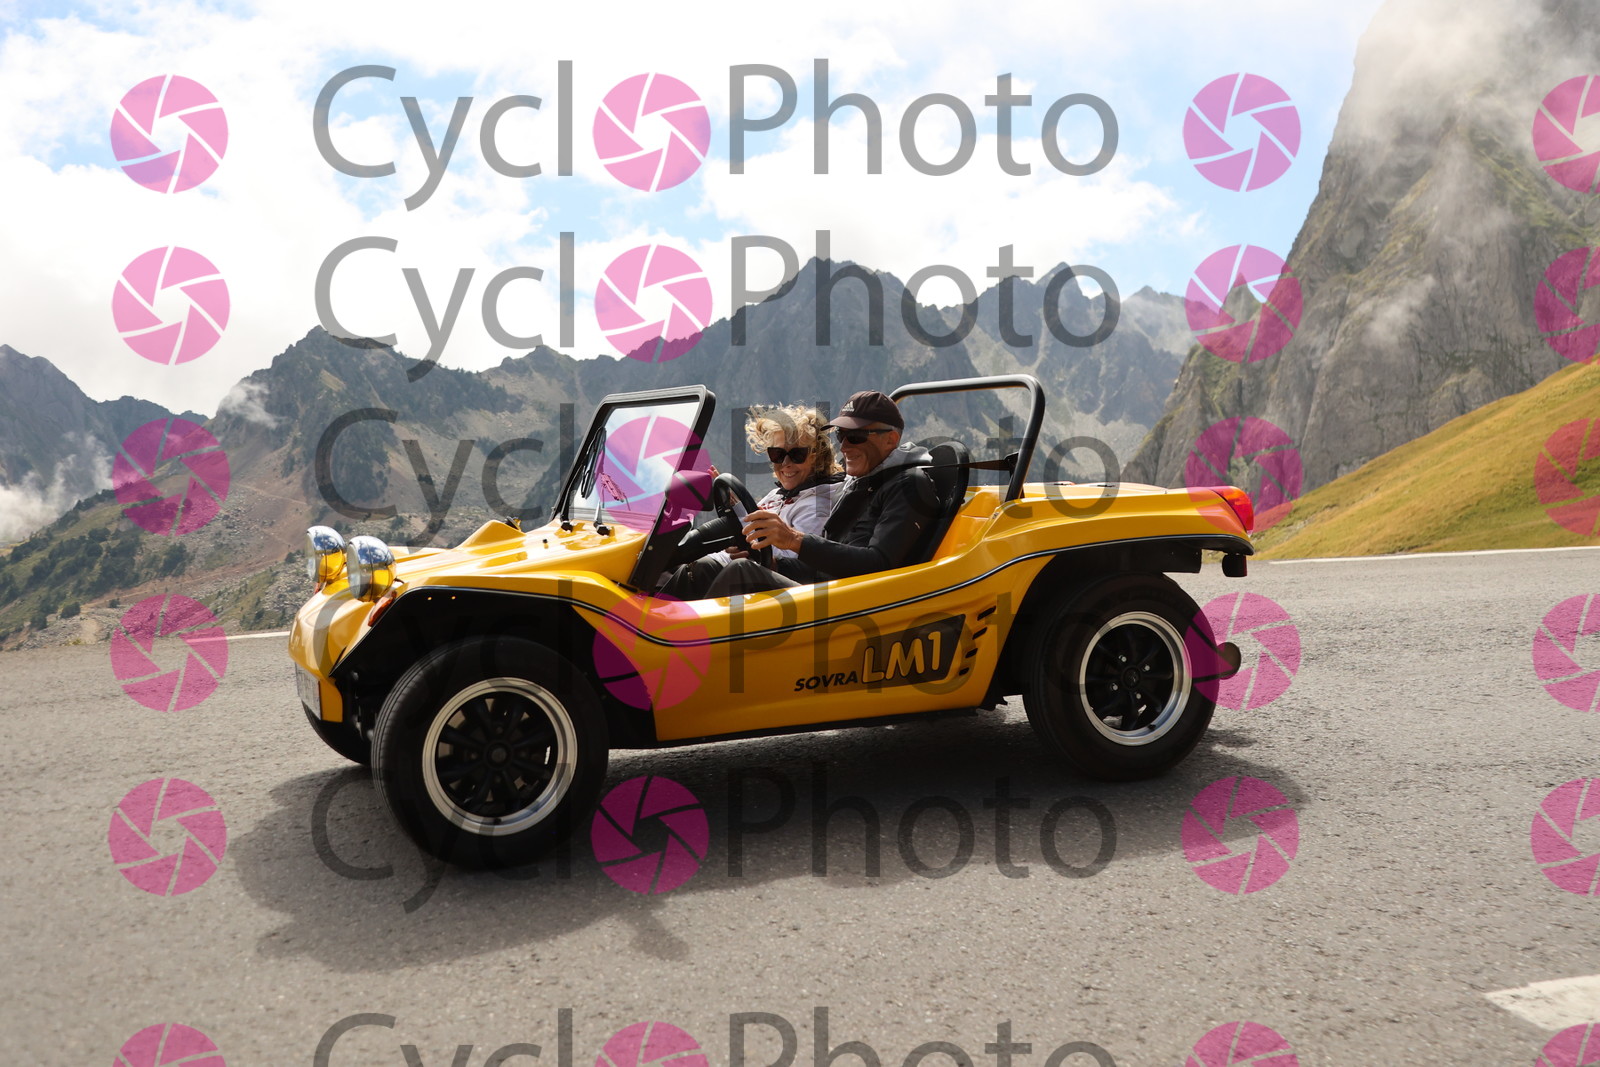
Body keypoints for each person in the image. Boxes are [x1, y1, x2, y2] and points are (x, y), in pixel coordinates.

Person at [703, 390, 938, 598]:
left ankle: (690, 633)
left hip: (858, 603)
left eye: (856, 437)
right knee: (709, 568)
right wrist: (775, 565)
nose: (844, 447)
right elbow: (826, 563)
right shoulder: (858, 482)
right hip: (832, 590)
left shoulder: (908, 484)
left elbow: (878, 565)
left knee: (742, 572)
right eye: (841, 436)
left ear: (890, 440)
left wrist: (794, 539)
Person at [659, 406, 843, 599]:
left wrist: (749, 550)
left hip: (778, 592)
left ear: (816, 456)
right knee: (688, 567)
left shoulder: (818, 504)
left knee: (702, 569)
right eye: (777, 454)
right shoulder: (777, 495)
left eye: (797, 455)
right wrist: (733, 503)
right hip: (741, 569)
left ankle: (661, 616)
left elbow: (795, 558)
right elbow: (750, 524)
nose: (786, 463)